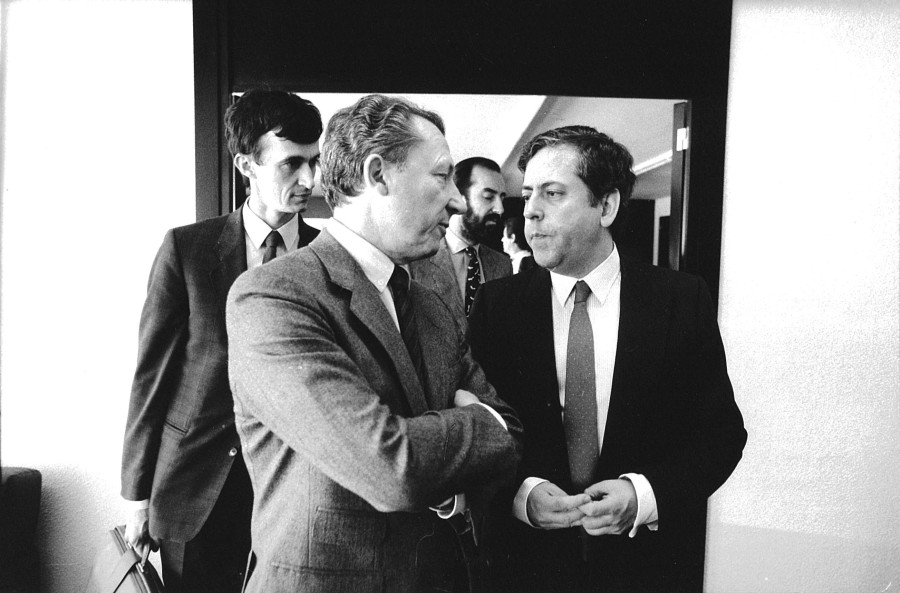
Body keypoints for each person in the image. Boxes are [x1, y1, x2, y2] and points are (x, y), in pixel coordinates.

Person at [225, 94, 523, 593]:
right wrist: (482, 423)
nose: (456, 201)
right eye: (442, 176)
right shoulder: (273, 294)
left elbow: (512, 433)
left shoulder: (431, 304)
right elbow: (391, 467)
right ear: (378, 174)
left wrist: (464, 445)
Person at [468, 125, 746, 592]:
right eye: (529, 194)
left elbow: (720, 435)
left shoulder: (679, 299)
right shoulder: (497, 306)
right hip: (526, 568)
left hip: (646, 568)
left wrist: (643, 495)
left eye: (553, 193)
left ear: (607, 206)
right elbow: (478, 429)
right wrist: (522, 495)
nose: (529, 210)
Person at [120, 89, 323, 593]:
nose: (309, 180)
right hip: (194, 490)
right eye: (292, 163)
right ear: (246, 165)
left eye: (314, 162)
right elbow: (151, 378)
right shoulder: (187, 249)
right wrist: (136, 497)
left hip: (293, 489)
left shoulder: (327, 256)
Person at [410, 156, 512, 325]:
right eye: (488, 197)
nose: (500, 209)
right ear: (457, 196)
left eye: (502, 198)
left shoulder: (503, 265)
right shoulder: (417, 259)